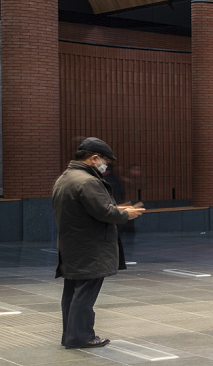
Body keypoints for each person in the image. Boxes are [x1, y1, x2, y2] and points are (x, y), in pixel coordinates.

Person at [53, 138, 145, 349]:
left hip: (72, 246)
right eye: (105, 160)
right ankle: (81, 337)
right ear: (94, 158)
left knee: (72, 293)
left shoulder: (66, 178)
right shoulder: (88, 181)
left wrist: (117, 208)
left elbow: (87, 209)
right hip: (90, 248)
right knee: (85, 294)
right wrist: (125, 214)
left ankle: (70, 335)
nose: (106, 165)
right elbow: (105, 212)